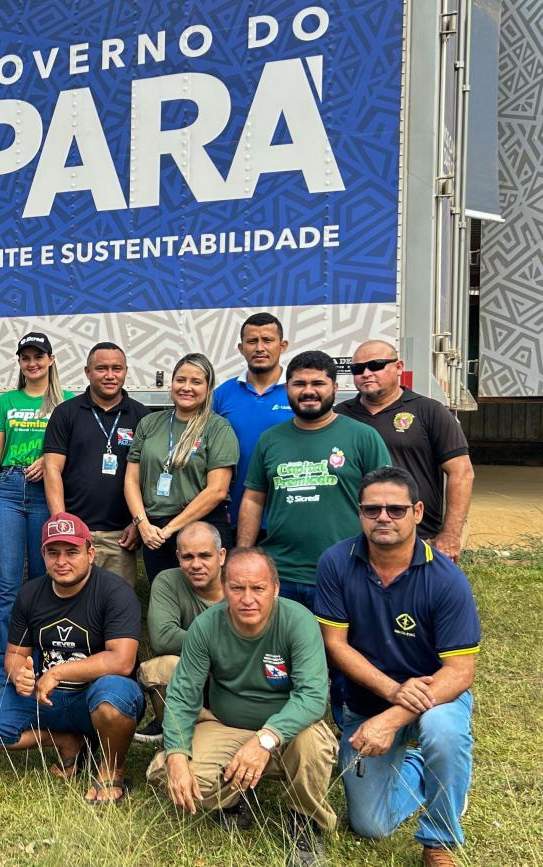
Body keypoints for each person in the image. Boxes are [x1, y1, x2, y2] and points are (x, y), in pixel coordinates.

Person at [315, 466, 480, 866]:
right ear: (359, 513)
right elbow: (335, 645)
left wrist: (393, 718)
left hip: (434, 696)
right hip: (368, 700)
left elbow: (460, 672)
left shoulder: (446, 579)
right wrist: (391, 692)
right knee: (370, 824)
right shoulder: (336, 562)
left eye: (396, 509)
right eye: (372, 510)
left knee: (443, 732)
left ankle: (438, 841)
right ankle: (426, 769)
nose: (383, 517)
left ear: (417, 512)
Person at [148, 548, 336, 866]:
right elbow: (181, 696)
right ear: (225, 588)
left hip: (287, 731)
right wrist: (177, 755)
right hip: (227, 725)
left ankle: (305, 822)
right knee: (171, 773)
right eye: (237, 588)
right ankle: (234, 798)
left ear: (275, 588)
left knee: (313, 746)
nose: (247, 599)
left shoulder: (298, 621)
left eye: (258, 588)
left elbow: (312, 697)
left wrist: (264, 739)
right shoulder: (206, 626)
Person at [0, 513, 145, 805]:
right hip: (47, 697)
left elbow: (122, 660)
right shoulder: (30, 594)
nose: (61, 561)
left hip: (95, 696)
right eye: (53, 553)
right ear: (43, 555)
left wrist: (58, 672)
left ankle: (111, 769)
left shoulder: (115, 592)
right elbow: (15, 654)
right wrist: (19, 674)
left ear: (90, 554)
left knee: (113, 700)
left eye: (72, 552)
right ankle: (68, 741)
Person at [238, 350, 391, 610]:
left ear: (335, 387)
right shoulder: (269, 440)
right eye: (299, 384)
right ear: (287, 389)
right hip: (280, 574)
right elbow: (253, 500)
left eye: (318, 383)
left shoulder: (363, 437)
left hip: (344, 571)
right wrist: (242, 555)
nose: (308, 391)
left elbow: (385, 502)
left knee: (339, 637)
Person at [0, 332, 73, 688]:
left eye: (38, 356)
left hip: (45, 493)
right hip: (8, 488)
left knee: (42, 581)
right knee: (6, 584)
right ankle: (0, 674)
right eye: (26, 357)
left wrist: (48, 460)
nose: (32, 363)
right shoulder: (7, 401)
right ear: (19, 362)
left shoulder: (66, 402)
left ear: (51, 359)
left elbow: (74, 449)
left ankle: (39, 667)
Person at [338, 340, 474, 561]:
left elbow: (462, 472)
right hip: (355, 542)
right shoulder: (339, 416)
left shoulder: (429, 411)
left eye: (376, 365)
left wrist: (451, 534)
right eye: (357, 369)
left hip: (419, 538)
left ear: (399, 367)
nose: (366, 373)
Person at [43, 341, 151, 584]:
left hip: (121, 535)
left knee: (117, 601)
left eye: (117, 368)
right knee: (71, 599)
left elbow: (148, 476)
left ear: (125, 371)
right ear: (87, 372)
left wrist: (137, 522)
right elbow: (52, 469)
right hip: (76, 533)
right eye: (102, 368)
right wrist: (63, 523)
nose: (110, 375)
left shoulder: (142, 416)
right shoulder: (66, 413)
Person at [125, 353, 239, 581]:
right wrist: (142, 524)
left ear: (208, 388)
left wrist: (170, 529)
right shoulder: (149, 423)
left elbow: (217, 490)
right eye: (180, 380)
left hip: (201, 529)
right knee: (164, 595)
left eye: (196, 382)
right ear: (172, 383)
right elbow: (131, 480)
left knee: (207, 597)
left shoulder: (218, 428)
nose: (187, 387)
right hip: (154, 531)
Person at [137, 521, 227, 741]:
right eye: (188, 557)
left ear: (221, 556)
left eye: (205, 556)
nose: (196, 564)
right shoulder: (168, 580)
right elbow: (163, 638)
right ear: (178, 557)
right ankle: (174, 728)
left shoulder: (240, 584)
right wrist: (225, 647)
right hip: (191, 677)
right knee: (162, 666)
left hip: (234, 680)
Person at [213, 312, 293, 526]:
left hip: (286, 515)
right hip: (233, 514)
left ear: (282, 345)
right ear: (241, 348)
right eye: (252, 341)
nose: (259, 348)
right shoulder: (222, 394)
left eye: (267, 340)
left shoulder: (297, 391)